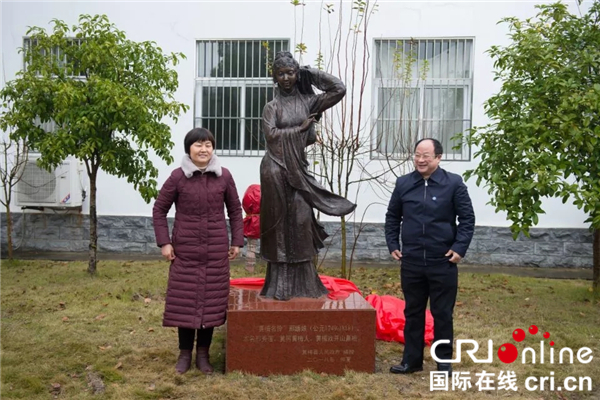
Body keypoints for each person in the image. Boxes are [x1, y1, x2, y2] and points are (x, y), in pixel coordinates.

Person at [259, 51, 356, 300]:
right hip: (274, 169)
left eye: (291, 72)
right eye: (280, 74)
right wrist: (299, 129)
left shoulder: (308, 102)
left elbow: (338, 89)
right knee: (280, 222)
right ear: (275, 77)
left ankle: (304, 281)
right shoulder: (271, 107)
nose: (286, 78)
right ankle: (278, 285)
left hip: (297, 169)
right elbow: (270, 136)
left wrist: (309, 73)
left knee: (301, 218)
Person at [152, 127, 244, 374]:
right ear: (188, 149)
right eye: (198, 145)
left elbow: (235, 211)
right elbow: (159, 210)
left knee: (211, 304)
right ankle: (184, 354)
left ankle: (203, 355)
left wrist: (237, 241)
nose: (203, 149)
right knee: (185, 303)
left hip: (215, 254)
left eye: (208, 145)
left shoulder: (224, 177)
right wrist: (165, 242)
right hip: (186, 253)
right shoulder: (178, 177)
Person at [384, 138, 475, 374]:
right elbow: (392, 216)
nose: (420, 160)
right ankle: (411, 361)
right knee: (412, 312)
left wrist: (459, 248)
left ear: (438, 157)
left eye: (426, 155)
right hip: (412, 261)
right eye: (417, 155)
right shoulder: (404, 183)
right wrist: (392, 243)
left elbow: (467, 219)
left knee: (442, 313)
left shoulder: (453, 183)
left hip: (442, 261)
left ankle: (443, 361)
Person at [242, 184, 261, 273]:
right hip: (265, 221)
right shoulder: (264, 195)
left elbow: (245, 204)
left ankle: (250, 269)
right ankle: (271, 269)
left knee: (251, 247)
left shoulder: (249, 194)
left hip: (252, 222)